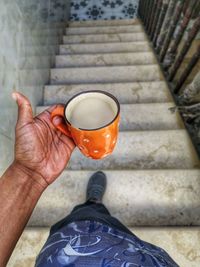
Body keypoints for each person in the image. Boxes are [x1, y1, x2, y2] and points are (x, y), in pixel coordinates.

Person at [0, 92, 179, 267]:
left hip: (68, 248)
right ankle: (94, 204)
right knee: (100, 219)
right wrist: (29, 173)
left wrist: (29, 172)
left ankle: (92, 205)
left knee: (85, 216)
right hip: (132, 252)